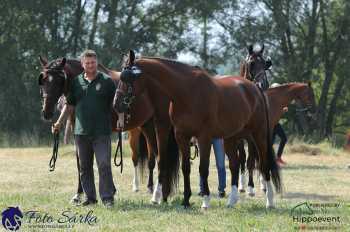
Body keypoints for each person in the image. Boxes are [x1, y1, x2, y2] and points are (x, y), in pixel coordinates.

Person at [52, 50, 116, 208]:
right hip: (81, 132)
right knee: (85, 167)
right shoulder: (76, 82)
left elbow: (116, 104)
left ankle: (107, 198)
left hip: (101, 132)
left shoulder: (107, 81)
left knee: (104, 164)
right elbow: (69, 104)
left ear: (96, 62)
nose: (90, 65)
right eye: (87, 63)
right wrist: (59, 122)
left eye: (93, 62)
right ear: (82, 64)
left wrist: (120, 119)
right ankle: (90, 198)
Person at [270, 83, 288, 166]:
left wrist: (282, 110)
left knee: (284, 138)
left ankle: (278, 158)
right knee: (270, 143)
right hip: (270, 124)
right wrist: (282, 111)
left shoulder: (278, 99)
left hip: (276, 123)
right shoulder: (270, 99)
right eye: (276, 88)